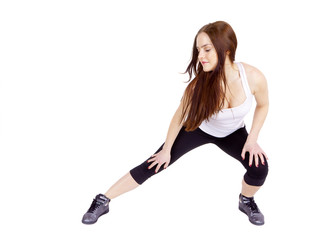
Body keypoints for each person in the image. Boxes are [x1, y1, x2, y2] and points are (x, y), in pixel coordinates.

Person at [82, 21, 269, 226]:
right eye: (198, 50)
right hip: (199, 127)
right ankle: (104, 199)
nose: (201, 57)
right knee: (155, 163)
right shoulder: (198, 85)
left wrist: (252, 140)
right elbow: (179, 116)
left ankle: (246, 200)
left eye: (207, 49)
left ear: (227, 49)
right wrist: (167, 149)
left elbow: (263, 105)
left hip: (233, 132)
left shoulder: (252, 77)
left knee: (259, 167)